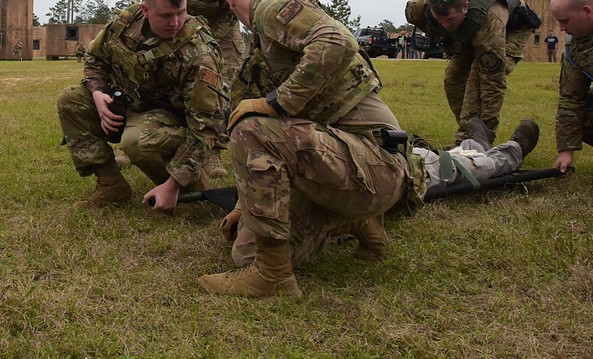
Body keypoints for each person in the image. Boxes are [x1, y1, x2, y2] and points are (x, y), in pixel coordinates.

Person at [197, 0, 416, 300]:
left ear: (229, 0)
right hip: (355, 169)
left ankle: (273, 279)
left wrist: (275, 103)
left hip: (376, 166)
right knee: (246, 254)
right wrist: (246, 204)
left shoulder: (268, 6)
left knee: (250, 126)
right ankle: (355, 220)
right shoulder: (265, 42)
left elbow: (335, 41)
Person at [224, 117, 540, 269]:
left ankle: (509, 151)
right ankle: (473, 144)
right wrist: (244, 205)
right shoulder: (269, 120)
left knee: (454, 167)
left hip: (382, 171)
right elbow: (263, 161)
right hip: (327, 184)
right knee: (247, 256)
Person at [57, 0, 226, 210]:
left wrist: (175, 183)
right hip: (132, 104)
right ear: (146, 10)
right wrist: (98, 94)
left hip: (176, 124)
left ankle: (188, 186)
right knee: (71, 99)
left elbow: (206, 125)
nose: (176, 22)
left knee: (135, 140)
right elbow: (95, 59)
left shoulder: (199, 53)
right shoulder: (126, 23)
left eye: (181, 12)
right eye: (166, 15)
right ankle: (111, 185)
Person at [151, 0, 246, 178]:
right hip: (184, 23)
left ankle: (213, 153)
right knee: (168, 80)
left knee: (227, 86)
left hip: (223, 23)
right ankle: (157, 138)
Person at [405, 0, 540, 145]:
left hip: (514, 26)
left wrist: (487, 133)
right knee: (453, 80)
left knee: (476, 81)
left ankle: (477, 141)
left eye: (450, 19)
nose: (446, 25)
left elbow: (492, 82)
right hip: (468, 32)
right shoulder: (418, 8)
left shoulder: (488, 20)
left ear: (465, 7)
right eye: (440, 20)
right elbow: (437, 27)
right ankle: (470, 132)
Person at [549, 0, 593, 173]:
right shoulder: (575, 49)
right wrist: (566, 151)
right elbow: (571, 99)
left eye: (565, 21)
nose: (561, 28)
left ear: (587, 11)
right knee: (586, 113)